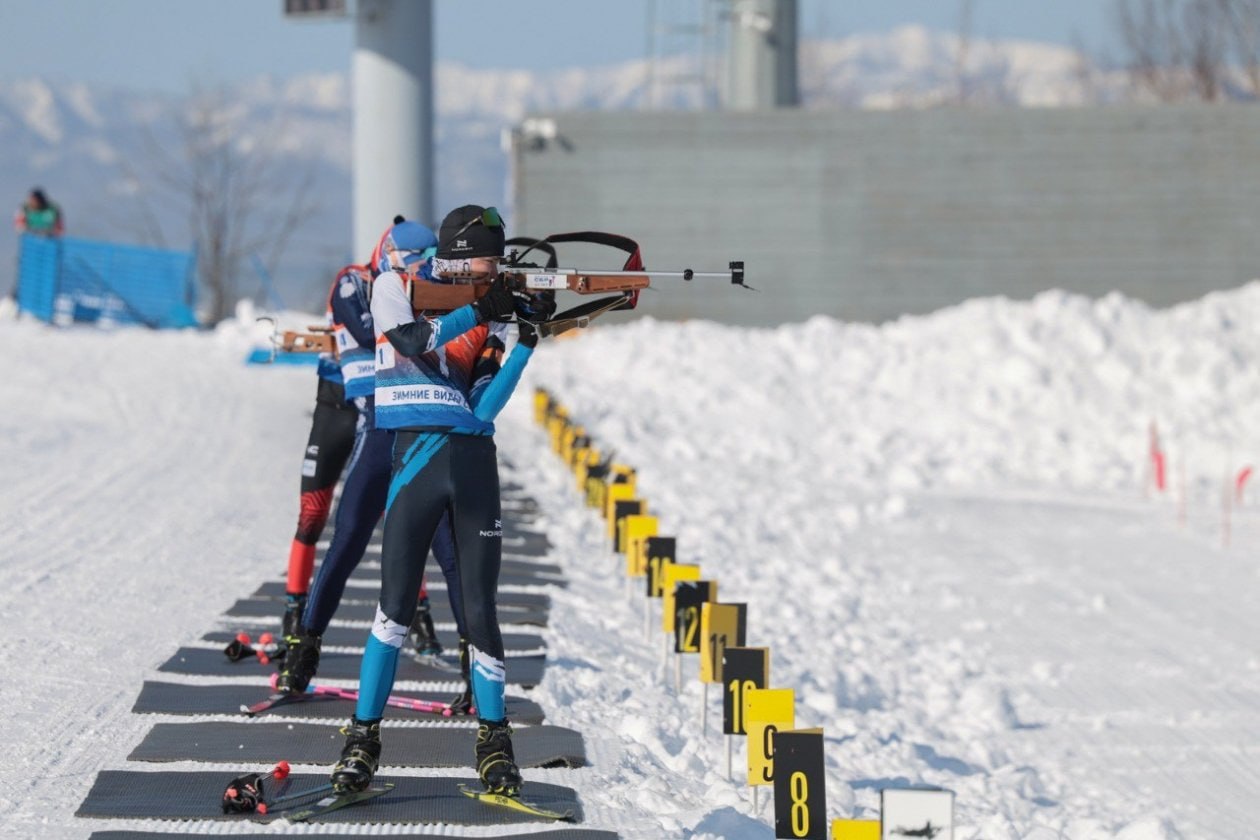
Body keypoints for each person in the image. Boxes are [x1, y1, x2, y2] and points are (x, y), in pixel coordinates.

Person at [331, 205, 538, 797]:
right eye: (486, 260)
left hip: (473, 465)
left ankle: (495, 744)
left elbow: (482, 407)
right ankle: (362, 740)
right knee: (393, 610)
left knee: (480, 610)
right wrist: (480, 310)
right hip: (413, 462)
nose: (495, 270)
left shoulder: (491, 312)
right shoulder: (395, 286)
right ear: (458, 257)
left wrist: (523, 340)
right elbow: (408, 338)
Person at [277, 221, 474, 705]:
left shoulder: (431, 286)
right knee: (340, 533)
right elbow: (378, 330)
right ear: (392, 254)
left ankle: (474, 659)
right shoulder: (363, 282)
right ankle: (303, 642)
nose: (424, 267)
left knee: (449, 551)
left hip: (418, 424)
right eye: (417, 258)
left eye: (431, 259)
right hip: (363, 413)